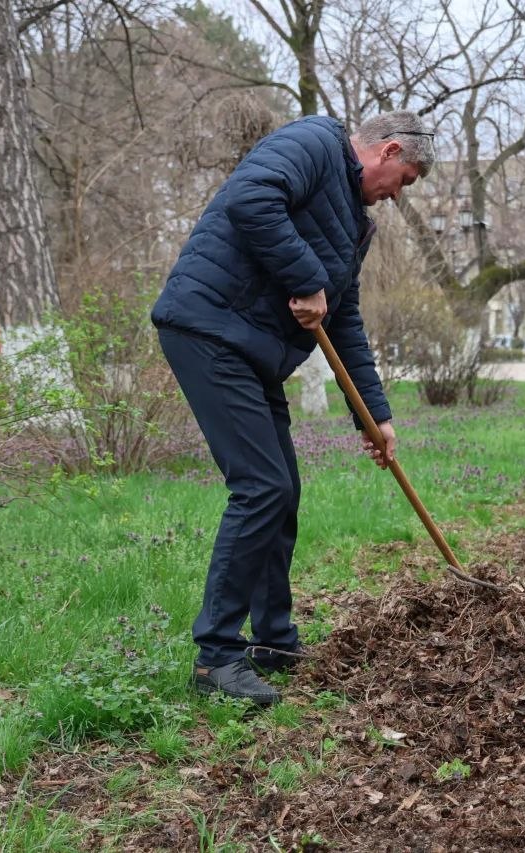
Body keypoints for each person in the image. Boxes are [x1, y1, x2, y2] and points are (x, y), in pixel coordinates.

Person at [151, 110, 433, 705]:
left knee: (283, 491)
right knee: (261, 487)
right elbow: (250, 199)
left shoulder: (356, 226)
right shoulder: (312, 143)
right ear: (386, 152)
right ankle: (216, 659)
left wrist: (373, 416)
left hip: (252, 349)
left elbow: (343, 318)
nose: (394, 195)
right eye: (403, 180)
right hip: (208, 328)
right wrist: (306, 278)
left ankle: (273, 639)